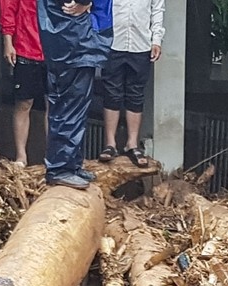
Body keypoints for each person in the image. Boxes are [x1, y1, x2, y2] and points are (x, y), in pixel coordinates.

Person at [37, 0, 110, 189]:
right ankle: (61, 168)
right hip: (73, 39)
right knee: (69, 104)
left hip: (71, 38)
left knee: (74, 105)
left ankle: (71, 165)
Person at [96, 0, 164, 167]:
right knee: (111, 91)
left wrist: (156, 40)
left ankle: (132, 144)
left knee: (136, 93)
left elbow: (157, 10)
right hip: (112, 41)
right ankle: (110, 144)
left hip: (141, 42)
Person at [0, 0, 46, 166]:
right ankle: (21, 156)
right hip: (25, 46)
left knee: (55, 105)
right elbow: (8, 7)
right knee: (23, 103)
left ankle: (54, 157)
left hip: (55, 49)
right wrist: (8, 41)